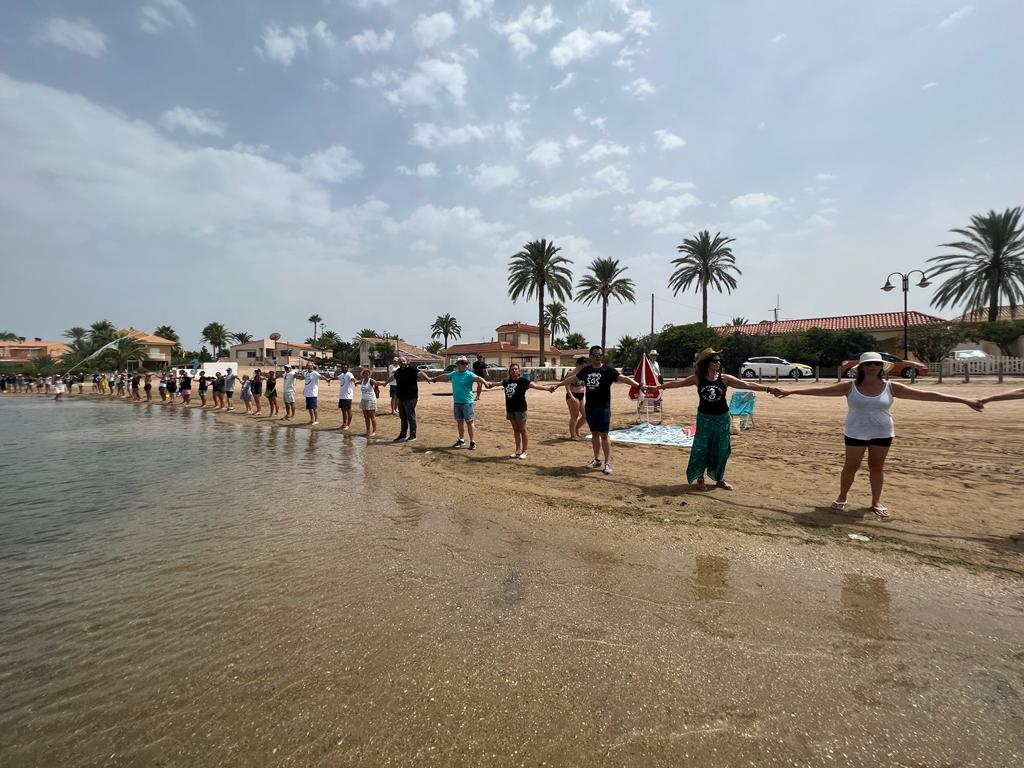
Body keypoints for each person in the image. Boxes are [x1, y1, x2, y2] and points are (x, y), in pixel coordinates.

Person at [778, 351, 984, 518]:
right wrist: (791, 392)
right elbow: (821, 391)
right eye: (869, 364)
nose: (873, 367)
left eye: (876, 364)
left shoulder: (891, 387)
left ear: (881, 367)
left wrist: (963, 400)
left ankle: (875, 501)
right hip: (855, 432)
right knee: (851, 466)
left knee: (877, 468)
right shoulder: (850, 386)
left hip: (883, 432)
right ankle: (842, 497)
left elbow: (929, 395)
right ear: (862, 367)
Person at [659, 347, 780, 491]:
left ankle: (719, 478)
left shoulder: (725, 378)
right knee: (702, 448)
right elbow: (676, 384)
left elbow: (747, 385)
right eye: (715, 361)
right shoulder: (698, 378)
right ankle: (700, 478)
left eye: (719, 361)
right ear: (707, 363)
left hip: (722, 418)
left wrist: (768, 389)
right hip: (704, 419)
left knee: (722, 449)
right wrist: (657, 387)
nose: (718, 363)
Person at [556, 345, 645, 475]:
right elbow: (572, 379)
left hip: (603, 408)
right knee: (595, 434)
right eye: (595, 354)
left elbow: (623, 378)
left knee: (604, 435)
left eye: (600, 355)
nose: (598, 357)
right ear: (591, 356)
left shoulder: (607, 370)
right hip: (590, 407)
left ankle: (607, 463)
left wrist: (639, 386)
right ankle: (597, 459)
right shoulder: (586, 370)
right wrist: (558, 385)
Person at [430, 356, 492, 450]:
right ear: (458, 364)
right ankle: (461, 440)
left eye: (466, 363)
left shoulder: (469, 374)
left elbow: (479, 378)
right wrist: (435, 379)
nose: (464, 365)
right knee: (459, 422)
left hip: (467, 403)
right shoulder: (454, 374)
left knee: (469, 422)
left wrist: (486, 383)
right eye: (462, 363)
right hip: (457, 402)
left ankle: (472, 441)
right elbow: (445, 376)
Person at [501, 363, 551, 459]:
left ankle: (525, 451)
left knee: (522, 430)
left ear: (519, 371)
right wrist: (488, 384)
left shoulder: (523, 381)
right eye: (512, 369)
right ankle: (517, 450)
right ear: (509, 371)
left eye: (516, 369)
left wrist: (548, 388)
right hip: (510, 409)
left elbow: (535, 386)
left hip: (520, 408)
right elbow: (497, 384)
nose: (514, 371)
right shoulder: (506, 381)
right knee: (515, 430)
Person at [385, 356, 431, 442]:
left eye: (403, 361)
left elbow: (421, 373)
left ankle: (413, 435)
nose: (402, 362)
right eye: (400, 361)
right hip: (401, 397)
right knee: (403, 417)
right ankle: (403, 435)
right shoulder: (398, 371)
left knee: (410, 416)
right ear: (398, 363)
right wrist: (385, 383)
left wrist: (427, 378)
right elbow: (392, 377)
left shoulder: (412, 369)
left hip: (411, 397)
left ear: (407, 361)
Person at [550, 355, 589, 439]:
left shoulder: (584, 373)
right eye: (583, 365)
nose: (584, 367)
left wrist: (585, 397)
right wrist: (572, 397)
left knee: (586, 415)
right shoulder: (571, 373)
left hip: (582, 396)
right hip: (573, 395)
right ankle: (573, 435)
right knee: (575, 416)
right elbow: (566, 385)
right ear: (578, 364)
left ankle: (577, 430)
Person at [302, 362, 332, 426]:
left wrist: (326, 379)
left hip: (313, 393)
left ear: (313, 367)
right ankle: (311, 419)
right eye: (308, 366)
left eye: (311, 366)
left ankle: (316, 420)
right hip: (307, 393)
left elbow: (321, 376)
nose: (309, 367)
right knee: (309, 408)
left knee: (314, 407)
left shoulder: (315, 373)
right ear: (306, 367)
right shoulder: (306, 373)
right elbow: (304, 380)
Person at [357, 366, 380, 437]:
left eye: (367, 373)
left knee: (372, 416)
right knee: (366, 416)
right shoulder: (362, 380)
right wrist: (354, 382)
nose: (366, 374)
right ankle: (368, 430)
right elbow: (358, 382)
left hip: (371, 400)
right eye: (364, 373)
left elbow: (376, 383)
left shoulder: (371, 380)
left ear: (369, 374)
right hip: (364, 400)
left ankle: (374, 431)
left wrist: (384, 384)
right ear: (362, 374)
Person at [336, 362, 356, 431]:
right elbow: (336, 378)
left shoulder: (349, 374)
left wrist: (355, 382)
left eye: (345, 367)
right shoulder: (341, 375)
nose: (344, 368)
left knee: (348, 410)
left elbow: (352, 379)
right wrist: (329, 379)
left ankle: (348, 424)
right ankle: (344, 424)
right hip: (342, 396)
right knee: (343, 410)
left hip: (348, 396)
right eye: (343, 367)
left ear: (347, 368)